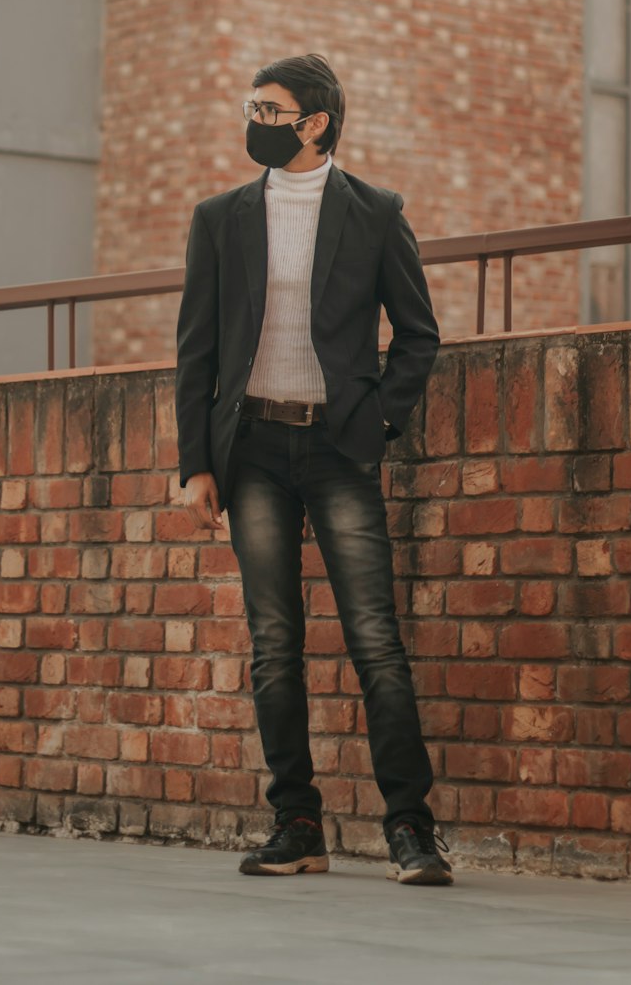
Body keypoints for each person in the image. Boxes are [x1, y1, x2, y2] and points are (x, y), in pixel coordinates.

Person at [175, 53, 451, 886]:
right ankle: (297, 824)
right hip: (250, 450)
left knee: (376, 641)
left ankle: (411, 829)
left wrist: (379, 423)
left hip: (338, 450)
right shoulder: (219, 217)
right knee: (274, 643)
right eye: (251, 104)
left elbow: (417, 335)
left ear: (315, 122)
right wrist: (196, 464)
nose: (254, 117)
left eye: (270, 107)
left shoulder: (375, 213)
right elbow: (195, 351)